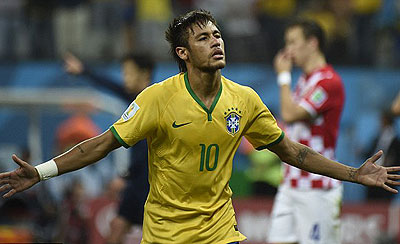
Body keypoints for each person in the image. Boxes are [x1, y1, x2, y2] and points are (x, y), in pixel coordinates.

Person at [0, 10, 400, 244]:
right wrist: (41, 172)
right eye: (204, 38)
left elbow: (293, 151)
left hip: (220, 232)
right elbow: (99, 146)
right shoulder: (157, 98)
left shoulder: (243, 100)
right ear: (183, 53)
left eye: (217, 34)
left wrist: (353, 173)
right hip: (166, 235)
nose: (216, 42)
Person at [267, 18, 346, 244]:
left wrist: (283, 76)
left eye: (292, 42)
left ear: (312, 43)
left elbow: (290, 114)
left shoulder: (329, 82)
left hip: (317, 187)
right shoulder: (305, 79)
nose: (287, 50)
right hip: (290, 183)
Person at [63, 52, 154, 243]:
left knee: (144, 233)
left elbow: (148, 149)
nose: (125, 78)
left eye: (129, 73)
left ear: (145, 75)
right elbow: (113, 86)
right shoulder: (136, 98)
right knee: (117, 228)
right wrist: (84, 71)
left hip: (148, 185)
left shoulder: (153, 103)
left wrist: (125, 177)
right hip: (137, 183)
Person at [363, 110, 400, 201]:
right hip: (373, 174)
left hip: (386, 176)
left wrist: (390, 162)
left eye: (382, 120)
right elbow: (369, 154)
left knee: (384, 203)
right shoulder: (377, 138)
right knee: (371, 202)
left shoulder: (396, 141)